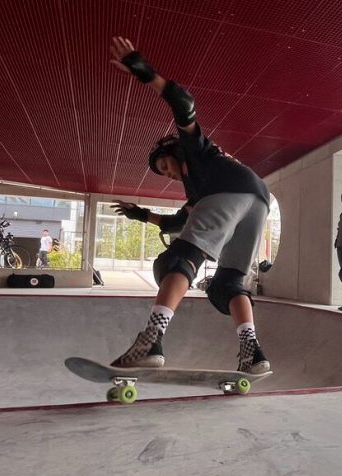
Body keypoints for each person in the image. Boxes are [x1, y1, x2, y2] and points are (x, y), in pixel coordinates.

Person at [106, 36, 271, 375]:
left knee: (176, 261)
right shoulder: (199, 193)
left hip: (231, 191)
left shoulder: (195, 150)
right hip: (258, 201)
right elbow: (173, 224)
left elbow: (184, 104)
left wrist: (146, 72)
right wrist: (139, 214)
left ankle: (151, 340)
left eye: (165, 166)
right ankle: (252, 353)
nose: (168, 175)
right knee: (228, 284)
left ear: (176, 152)